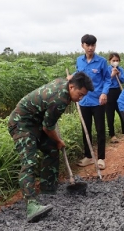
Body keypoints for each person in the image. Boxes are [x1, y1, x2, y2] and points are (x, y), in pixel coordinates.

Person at [8, 72, 94, 222]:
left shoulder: (65, 83)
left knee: (52, 149)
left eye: (83, 96)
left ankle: (48, 189)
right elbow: (48, 128)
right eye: (80, 94)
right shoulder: (59, 100)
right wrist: (59, 140)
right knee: (30, 162)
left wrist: (56, 143)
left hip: (36, 123)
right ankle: (31, 205)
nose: (81, 99)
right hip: (21, 123)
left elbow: (46, 125)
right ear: (72, 87)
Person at [75, 34, 112, 170]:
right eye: (87, 45)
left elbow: (108, 79)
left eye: (93, 45)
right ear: (82, 45)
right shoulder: (79, 60)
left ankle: (101, 158)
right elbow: (78, 76)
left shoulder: (101, 61)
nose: (90, 48)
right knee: (86, 129)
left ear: (95, 46)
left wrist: (104, 93)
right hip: (83, 101)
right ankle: (89, 157)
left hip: (98, 101)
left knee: (100, 129)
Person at [106, 52, 124, 144]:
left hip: (118, 91)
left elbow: (123, 80)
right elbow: (104, 81)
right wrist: (112, 75)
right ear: (109, 61)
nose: (115, 62)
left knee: (122, 112)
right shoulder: (106, 69)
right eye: (113, 60)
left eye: (117, 60)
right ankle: (112, 135)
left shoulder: (120, 69)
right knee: (110, 115)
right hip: (109, 92)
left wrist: (119, 75)